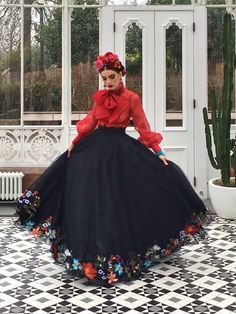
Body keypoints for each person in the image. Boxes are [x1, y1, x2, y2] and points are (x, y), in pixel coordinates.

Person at [16, 52, 210, 287]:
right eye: (104, 78)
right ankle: (88, 256)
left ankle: (118, 257)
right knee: (90, 200)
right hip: (94, 151)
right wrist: (74, 143)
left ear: (121, 75)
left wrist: (158, 152)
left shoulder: (132, 98)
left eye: (111, 77)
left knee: (119, 203)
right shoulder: (100, 97)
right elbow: (90, 121)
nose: (107, 82)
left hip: (120, 152)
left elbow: (143, 128)